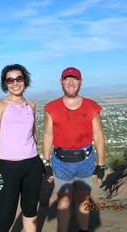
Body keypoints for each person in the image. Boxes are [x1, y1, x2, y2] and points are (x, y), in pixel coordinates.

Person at [42, 67, 106, 232]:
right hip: (60, 161)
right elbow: (48, 135)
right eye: (67, 79)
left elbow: (98, 135)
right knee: (63, 201)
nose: (71, 82)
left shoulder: (92, 106)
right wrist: (46, 163)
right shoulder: (51, 107)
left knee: (83, 200)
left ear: (80, 82)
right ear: (61, 82)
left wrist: (101, 165)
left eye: (75, 79)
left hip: (85, 160)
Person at [0, 64, 43, 232]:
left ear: (25, 80)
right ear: (5, 84)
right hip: (8, 167)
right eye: (9, 80)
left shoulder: (31, 105)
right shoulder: (0, 105)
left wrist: (40, 160)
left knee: (30, 211)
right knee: (5, 217)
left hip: (33, 165)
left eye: (19, 78)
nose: (15, 83)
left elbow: (33, 133)